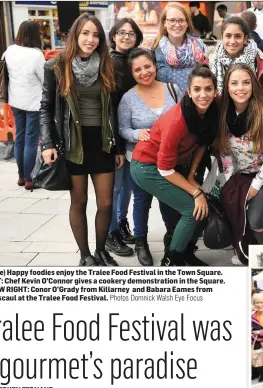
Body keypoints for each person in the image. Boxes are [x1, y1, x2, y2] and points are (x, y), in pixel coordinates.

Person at [40, 13, 123, 267]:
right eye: (85, 33)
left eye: (96, 34)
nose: (90, 39)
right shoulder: (56, 66)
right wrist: (47, 144)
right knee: (80, 201)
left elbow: (114, 110)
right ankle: (85, 255)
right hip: (73, 143)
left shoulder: (107, 65)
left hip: (103, 142)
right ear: (75, 35)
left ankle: (100, 250)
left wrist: (117, 147)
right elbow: (44, 108)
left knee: (106, 202)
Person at [130, 64, 219, 266]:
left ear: (215, 91)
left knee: (201, 211)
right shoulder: (177, 120)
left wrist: (191, 176)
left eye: (208, 89)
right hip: (148, 166)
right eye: (197, 89)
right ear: (188, 91)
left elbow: (202, 143)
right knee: (191, 210)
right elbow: (164, 169)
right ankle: (172, 260)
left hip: (174, 166)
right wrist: (195, 192)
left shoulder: (212, 109)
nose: (203, 95)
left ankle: (186, 252)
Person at [117, 48, 184, 266]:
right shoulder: (128, 98)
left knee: (169, 202)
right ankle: (141, 242)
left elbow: (186, 116)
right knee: (141, 202)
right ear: (132, 73)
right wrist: (138, 134)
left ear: (155, 66)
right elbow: (123, 128)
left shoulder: (173, 90)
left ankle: (172, 241)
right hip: (141, 161)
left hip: (170, 160)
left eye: (147, 66)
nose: (144, 72)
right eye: (138, 70)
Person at [217, 64, 263, 264]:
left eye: (246, 82)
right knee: (234, 206)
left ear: (253, 85)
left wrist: (256, 185)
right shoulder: (224, 113)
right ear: (227, 87)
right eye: (234, 83)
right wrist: (231, 181)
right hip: (241, 172)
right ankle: (246, 251)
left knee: (255, 218)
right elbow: (225, 151)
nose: (240, 88)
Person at [106, 18, 144, 258]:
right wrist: (117, 146)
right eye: (122, 33)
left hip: (133, 135)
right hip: (115, 135)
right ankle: (110, 233)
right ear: (114, 35)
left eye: (131, 33)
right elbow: (110, 105)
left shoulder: (135, 60)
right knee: (116, 187)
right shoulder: (110, 62)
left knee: (129, 186)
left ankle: (120, 223)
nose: (127, 37)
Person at [4, 20, 45, 191]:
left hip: (15, 101)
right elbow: (44, 80)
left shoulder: (10, 50)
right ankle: (30, 178)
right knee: (31, 140)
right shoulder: (36, 55)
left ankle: (21, 176)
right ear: (36, 35)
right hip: (33, 103)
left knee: (19, 138)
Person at [209, 16, 263, 100]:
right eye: (228, 36)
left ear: (246, 39)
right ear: (222, 37)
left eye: (238, 36)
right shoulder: (210, 62)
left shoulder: (261, 64)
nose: (232, 41)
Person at [152, 2, 207, 94]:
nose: (177, 25)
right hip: (168, 106)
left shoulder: (200, 47)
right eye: (172, 20)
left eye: (181, 20)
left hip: (195, 104)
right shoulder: (155, 50)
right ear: (165, 23)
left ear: (187, 23)